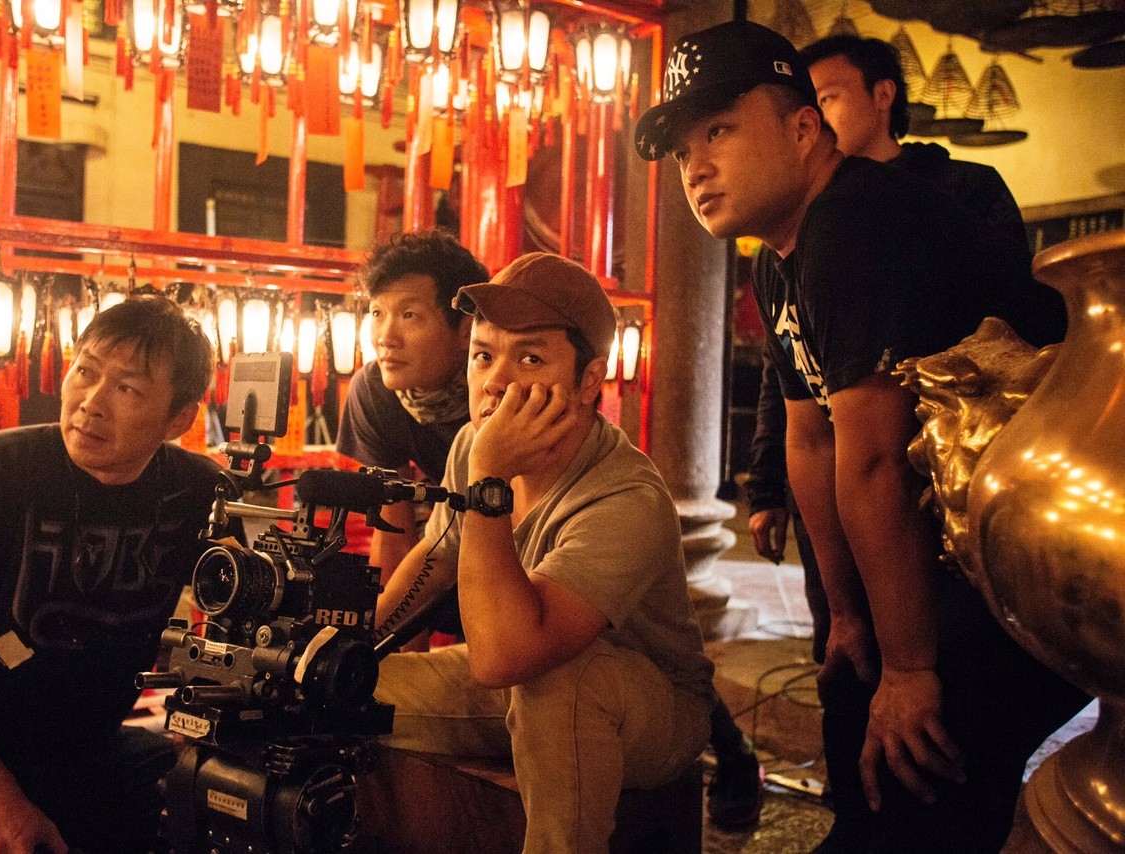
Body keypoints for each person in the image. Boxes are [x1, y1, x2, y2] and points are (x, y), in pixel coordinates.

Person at [636, 20, 1087, 853]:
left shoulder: (858, 222)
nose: (694, 165)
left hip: (1037, 547)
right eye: (682, 149)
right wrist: (847, 614)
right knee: (860, 730)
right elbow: (813, 439)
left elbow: (876, 456)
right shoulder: (780, 255)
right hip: (952, 532)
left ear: (805, 128)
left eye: (721, 130)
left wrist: (911, 666)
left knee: (925, 787)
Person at [0, 297, 234, 854]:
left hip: (78, 756)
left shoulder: (198, 492)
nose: (90, 404)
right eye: (86, 371)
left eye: (127, 388)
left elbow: (248, 617)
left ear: (179, 419)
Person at [372, 252, 717, 853]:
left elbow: (506, 657)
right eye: (483, 356)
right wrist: (341, 644)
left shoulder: (625, 496)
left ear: (589, 380)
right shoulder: (474, 445)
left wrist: (488, 483)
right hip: (520, 684)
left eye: (529, 357)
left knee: (560, 683)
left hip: (647, 705)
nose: (496, 382)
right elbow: (435, 561)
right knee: (343, 687)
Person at [744, 33, 1047, 667]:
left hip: (949, 481)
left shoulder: (950, 191)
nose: (816, 119)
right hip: (840, 473)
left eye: (827, 98)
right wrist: (768, 484)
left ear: (882, 95)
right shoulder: (786, 244)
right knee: (845, 659)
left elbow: (1013, 333)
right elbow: (795, 369)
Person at [337, 230, 488, 592]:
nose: (385, 337)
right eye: (377, 312)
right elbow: (392, 534)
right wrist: (385, 647)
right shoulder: (375, 393)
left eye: (408, 315)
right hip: (450, 536)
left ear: (466, 329)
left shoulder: (497, 392)